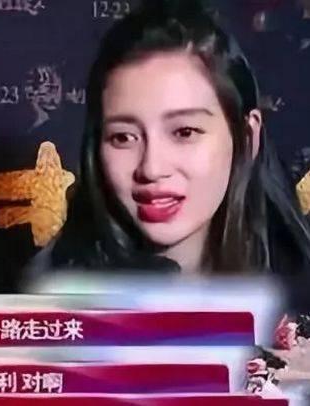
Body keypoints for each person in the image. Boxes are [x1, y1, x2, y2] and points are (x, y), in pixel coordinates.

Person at [46, 0, 310, 277]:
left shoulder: (295, 293)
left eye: (184, 132)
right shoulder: (53, 296)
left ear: (246, 137)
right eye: (123, 137)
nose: (152, 169)